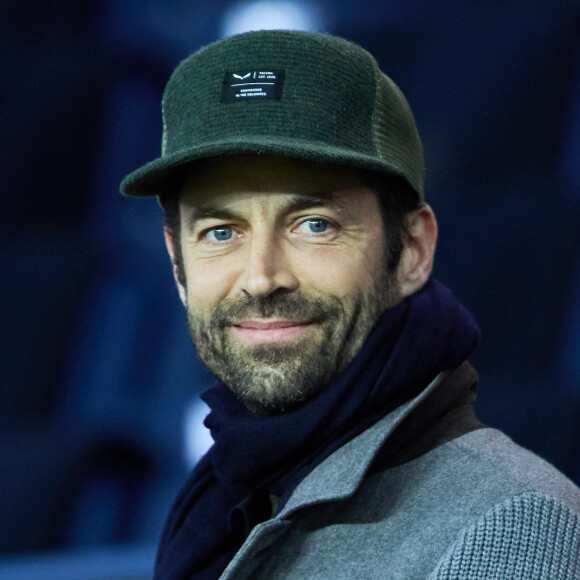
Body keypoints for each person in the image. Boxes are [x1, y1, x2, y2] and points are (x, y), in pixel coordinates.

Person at [120, 29, 580, 580]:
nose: (261, 277)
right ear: (177, 264)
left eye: (314, 224)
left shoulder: (512, 526)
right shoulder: (220, 505)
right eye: (221, 232)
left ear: (411, 251)